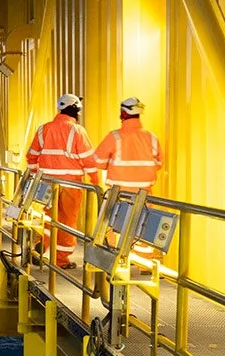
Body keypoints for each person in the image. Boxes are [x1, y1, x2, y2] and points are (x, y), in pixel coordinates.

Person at [24, 93, 97, 267]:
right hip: (70, 184)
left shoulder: (44, 129)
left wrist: (36, 175)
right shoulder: (77, 130)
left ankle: (40, 245)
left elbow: (31, 157)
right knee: (67, 221)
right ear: (76, 110)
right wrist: (95, 182)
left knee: (50, 217)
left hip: (47, 183)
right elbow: (88, 159)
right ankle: (61, 260)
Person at [95, 96, 166, 194]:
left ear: (123, 113)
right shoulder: (152, 137)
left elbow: (98, 161)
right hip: (144, 196)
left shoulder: (114, 136)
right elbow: (159, 164)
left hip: (118, 196)